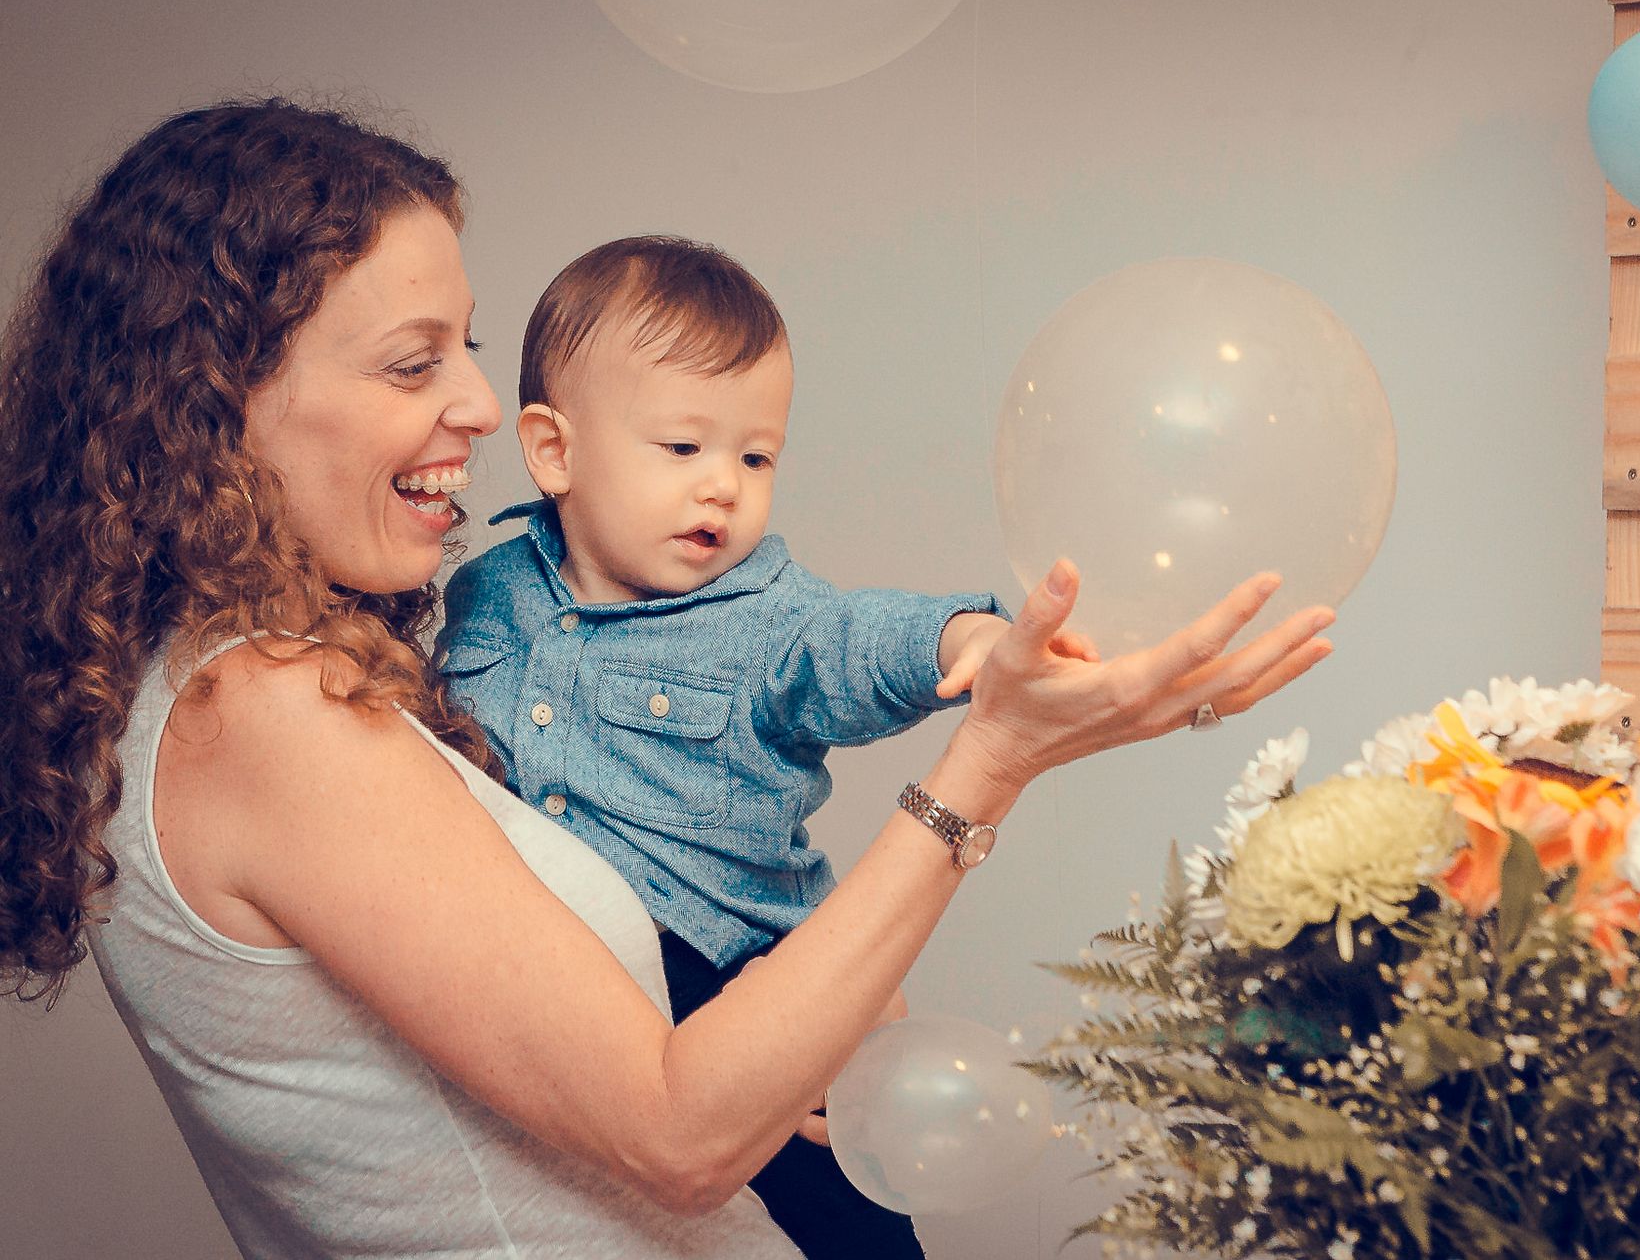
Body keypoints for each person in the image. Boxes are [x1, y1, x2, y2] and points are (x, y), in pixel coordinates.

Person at [0, 97, 1336, 1260]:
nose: (478, 404)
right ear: (212, 395)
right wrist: (989, 762)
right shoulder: (263, 710)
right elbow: (682, 1130)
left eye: (468, 346)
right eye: (414, 361)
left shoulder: (246, 683)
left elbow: (835, 643)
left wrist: (808, 998)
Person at [438, 235, 1084, 1258]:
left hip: (738, 976)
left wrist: (964, 638)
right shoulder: (486, 593)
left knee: (839, 1218)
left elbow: (854, 640)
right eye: (682, 448)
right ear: (555, 451)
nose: (725, 487)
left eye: (755, 457)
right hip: (573, 995)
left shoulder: (766, 617)